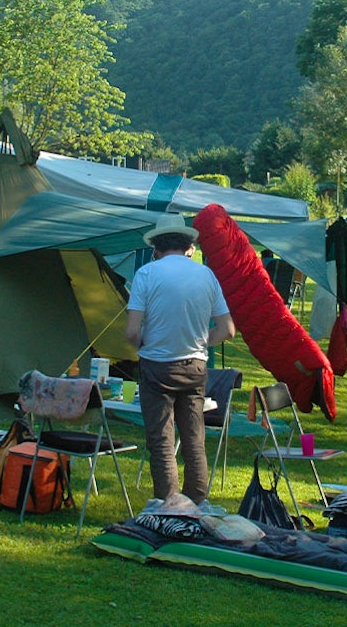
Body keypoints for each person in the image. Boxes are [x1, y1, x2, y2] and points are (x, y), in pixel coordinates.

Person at [125, 213, 235, 504]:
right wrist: (202, 342)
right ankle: (198, 502)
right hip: (195, 366)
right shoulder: (206, 275)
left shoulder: (146, 274)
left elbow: (131, 332)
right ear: (189, 246)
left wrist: (147, 344)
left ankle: (169, 506)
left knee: (162, 440)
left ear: (155, 250)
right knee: (193, 439)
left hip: (157, 366)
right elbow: (227, 330)